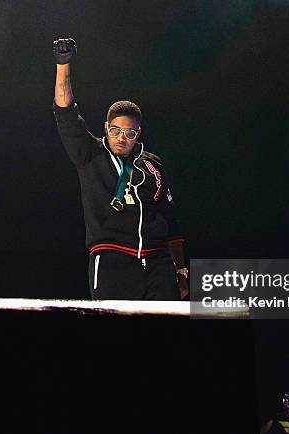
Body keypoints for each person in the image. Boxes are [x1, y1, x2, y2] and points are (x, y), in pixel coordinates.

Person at [52, 38, 188, 300]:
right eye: (115, 130)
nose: (121, 137)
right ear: (106, 129)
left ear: (138, 134)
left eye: (129, 132)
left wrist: (180, 270)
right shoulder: (90, 154)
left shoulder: (153, 164)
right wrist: (63, 65)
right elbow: (65, 114)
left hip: (158, 263)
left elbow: (171, 221)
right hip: (112, 259)